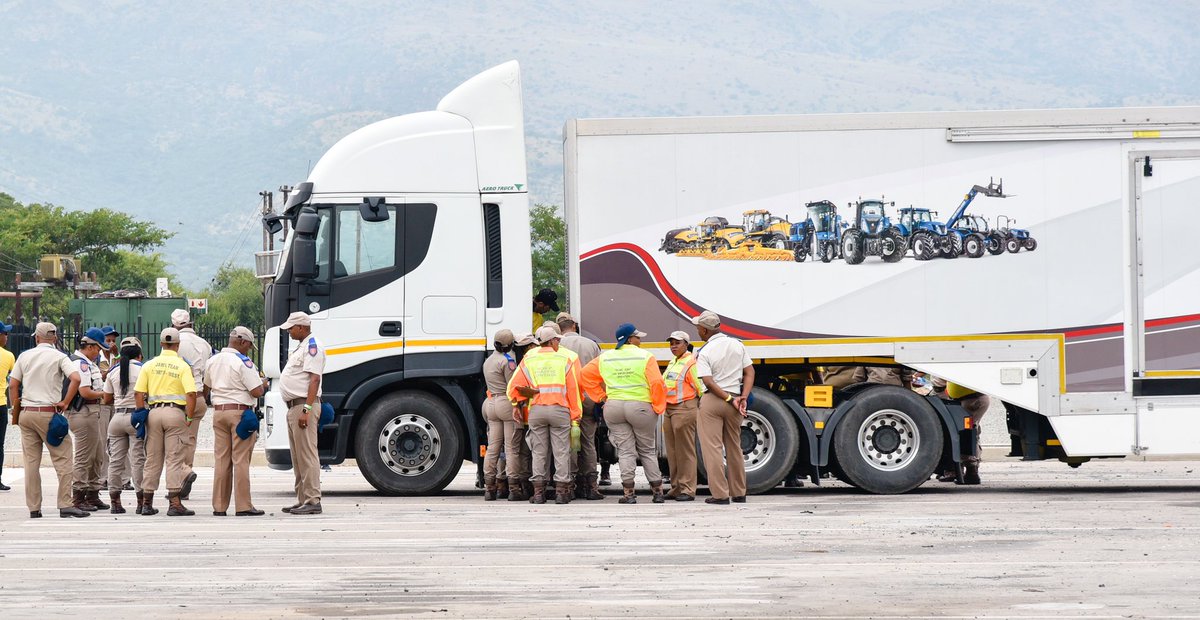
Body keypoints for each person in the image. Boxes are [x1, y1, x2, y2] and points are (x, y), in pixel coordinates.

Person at [7, 322, 88, 518]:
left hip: (27, 413)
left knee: (31, 463)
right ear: (55, 337)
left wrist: (16, 407)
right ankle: (65, 503)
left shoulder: (25, 356)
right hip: (48, 413)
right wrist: (65, 402)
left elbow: (13, 384)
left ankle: (34, 508)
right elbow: (76, 378)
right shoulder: (59, 356)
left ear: (37, 337)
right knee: (63, 458)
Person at [580, 323, 667, 504]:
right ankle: (658, 493)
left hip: (614, 407)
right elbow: (657, 383)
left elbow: (584, 375)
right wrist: (658, 406)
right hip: (640, 407)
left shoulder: (606, 358)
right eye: (637, 337)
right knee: (647, 450)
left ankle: (628, 494)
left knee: (626, 451)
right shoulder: (645, 357)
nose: (640, 340)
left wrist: (601, 397)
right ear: (629, 339)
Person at [507, 325, 582, 504]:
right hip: (559, 411)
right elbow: (573, 390)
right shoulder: (564, 360)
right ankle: (562, 493)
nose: (558, 342)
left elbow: (512, 388)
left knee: (539, 452)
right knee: (561, 451)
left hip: (537, 411)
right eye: (557, 339)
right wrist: (576, 415)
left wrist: (516, 404)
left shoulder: (529, 359)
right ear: (551, 341)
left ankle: (539, 493)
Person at [135, 327, 200, 516]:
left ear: (161, 344)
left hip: (154, 413)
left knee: (152, 459)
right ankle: (174, 503)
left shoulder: (149, 365)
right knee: (174, 459)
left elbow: (139, 393)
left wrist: (141, 412)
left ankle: (146, 502)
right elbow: (191, 393)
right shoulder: (182, 366)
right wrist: (189, 416)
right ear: (178, 345)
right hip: (175, 412)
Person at [204, 326, 268, 516]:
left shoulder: (212, 360)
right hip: (240, 413)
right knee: (240, 460)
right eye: (249, 345)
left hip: (219, 413)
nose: (249, 349)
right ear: (242, 342)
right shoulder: (243, 362)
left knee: (222, 460)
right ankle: (243, 506)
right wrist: (263, 384)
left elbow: (205, 388)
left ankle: (219, 506)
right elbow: (256, 391)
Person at [692, 310, 753, 505]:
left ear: (704, 330)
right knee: (734, 447)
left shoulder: (704, 351)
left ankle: (719, 494)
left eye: (698, 328)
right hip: (735, 399)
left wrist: (726, 398)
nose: (697, 330)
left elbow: (708, 382)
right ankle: (739, 492)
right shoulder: (737, 344)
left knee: (713, 449)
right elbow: (750, 372)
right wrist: (742, 396)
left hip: (714, 401)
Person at [278, 311, 325, 515]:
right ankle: (302, 498)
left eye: (291, 327)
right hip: (294, 407)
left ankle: (313, 500)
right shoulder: (302, 347)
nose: (288, 331)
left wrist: (306, 409)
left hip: (303, 406)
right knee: (297, 457)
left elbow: (314, 379)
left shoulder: (313, 347)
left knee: (307, 455)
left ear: (302, 327)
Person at [556, 312, 604, 500]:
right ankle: (591, 486)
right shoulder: (591, 344)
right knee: (588, 442)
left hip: (568, 399)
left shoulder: (557, 345)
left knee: (569, 443)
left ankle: (571, 484)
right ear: (574, 326)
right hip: (589, 398)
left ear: (559, 329)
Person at [103, 336, 147, 514]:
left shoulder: (113, 370)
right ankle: (141, 502)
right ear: (139, 353)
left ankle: (115, 502)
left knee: (115, 461)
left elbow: (107, 399)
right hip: (135, 418)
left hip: (117, 418)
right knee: (138, 460)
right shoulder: (143, 369)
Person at [172, 308, 213, 496]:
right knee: (191, 441)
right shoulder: (205, 344)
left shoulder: (175, 343)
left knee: (175, 441)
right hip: (199, 396)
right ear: (191, 323)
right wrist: (203, 395)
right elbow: (208, 376)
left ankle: (183, 475)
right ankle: (185, 479)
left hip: (181, 398)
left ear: (174, 325)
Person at [69, 327, 109, 512]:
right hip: (83, 411)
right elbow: (84, 392)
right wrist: (105, 395)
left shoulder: (87, 363)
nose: (99, 352)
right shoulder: (81, 364)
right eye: (99, 348)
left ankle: (92, 493)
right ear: (91, 346)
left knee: (97, 454)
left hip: (91, 412)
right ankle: (78, 496)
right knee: (84, 456)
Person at [662, 330, 704, 501]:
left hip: (684, 408)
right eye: (671, 343)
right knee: (672, 451)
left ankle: (687, 489)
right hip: (670, 409)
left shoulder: (691, 362)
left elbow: (700, 387)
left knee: (685, 451)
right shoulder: (674, 361)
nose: (673, 346)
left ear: (686, 344)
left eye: (677, 343)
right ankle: (676, 487)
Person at [931, 377, 990, 485]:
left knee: (967, 434)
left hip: (972, 399)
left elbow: (939, 383)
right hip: (970, 399)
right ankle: (964, 470)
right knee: (968, 432)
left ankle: (971, 471)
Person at [481, 329, 517, 501]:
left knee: (493, 447)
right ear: (510, 344)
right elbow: (512, 385)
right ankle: (513, 488)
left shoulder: (487, 361)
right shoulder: (507, 361)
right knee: (510, 448)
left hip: (491, 403)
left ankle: (489, 487)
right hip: (505, 402)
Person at [504, 332, 537, 501]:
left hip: (524, 413)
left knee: (521, 451)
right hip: (534, 411)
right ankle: (532, 485)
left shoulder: (519, 363)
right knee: (534, 451)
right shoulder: (531, 362)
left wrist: (517, 404)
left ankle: (523, 485)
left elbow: (513, 388)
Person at [96, 325, 119, 489]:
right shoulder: (97, 358)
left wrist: (116, 356)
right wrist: (116, 361)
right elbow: (104, 376)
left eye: (113, 340)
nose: (111, 343)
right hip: (103, 404)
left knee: (119, 441)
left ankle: (123, 479)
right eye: (107, 340)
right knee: (102, 440)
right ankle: (103, 477)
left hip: (116, 403)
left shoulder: (115, 356)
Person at [0, 321, 14, 492]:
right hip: (0, 405)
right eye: (5, 333)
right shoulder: (9, 356)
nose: (7, 337)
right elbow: (14, 380)